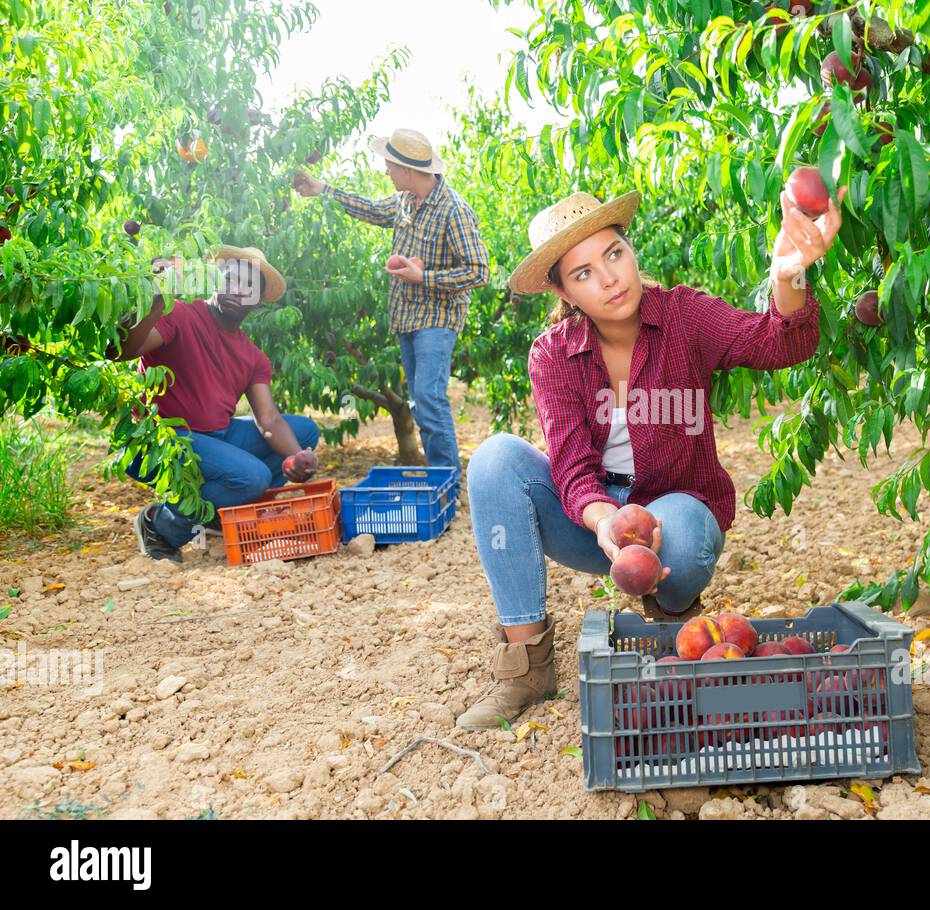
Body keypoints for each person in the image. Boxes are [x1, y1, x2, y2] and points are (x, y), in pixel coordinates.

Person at [455, 186, 847, 729]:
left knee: (683, 540)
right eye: (584, 272)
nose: (610, 278)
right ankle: (526, 666)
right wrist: (604, 521)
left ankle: (672, 612)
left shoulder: (683, 316)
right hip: (593, 522)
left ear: (631, 250)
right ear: (562, 290)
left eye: (614, 254)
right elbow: (570, 468)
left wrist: (788, 274)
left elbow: (780, 343)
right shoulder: (552, 354)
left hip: (676, 510)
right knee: (495, 459)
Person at [292, 128, 489, 485]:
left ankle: (448, 481)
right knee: (419, 400)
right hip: (407, 316)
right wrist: (323, 189)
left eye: (389, 165)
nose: (385, 171)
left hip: (438, 316)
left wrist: (423, 277)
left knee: (429, 397)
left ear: (408, 170)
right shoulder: (405, 201)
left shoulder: (454, 210)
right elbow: (369, 208)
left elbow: (479, 272)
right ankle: (439, 478)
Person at [113, 246, 320, 562]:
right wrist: (156, 296)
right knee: (251, 477)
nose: (237, 290)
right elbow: (121, 350)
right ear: (216, 280)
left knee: (303, 433)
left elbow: (269, 421)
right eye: (230, 278)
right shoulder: (178, 314)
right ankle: (160, 525)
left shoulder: (252, 356)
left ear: (259, 300)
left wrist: (296, 458)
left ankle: (219, 512)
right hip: (155, 441)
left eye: (248, 286)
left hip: (212, 439)